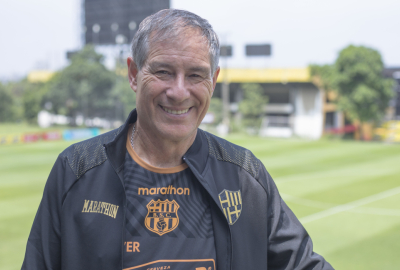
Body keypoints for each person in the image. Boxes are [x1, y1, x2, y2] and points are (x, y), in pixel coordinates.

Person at [22, 9, 333, 270]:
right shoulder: (76, 170)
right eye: (163, 72)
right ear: (133, 74)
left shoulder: (244, 175)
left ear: (214, 80)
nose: (179, 92)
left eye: (196, 75)